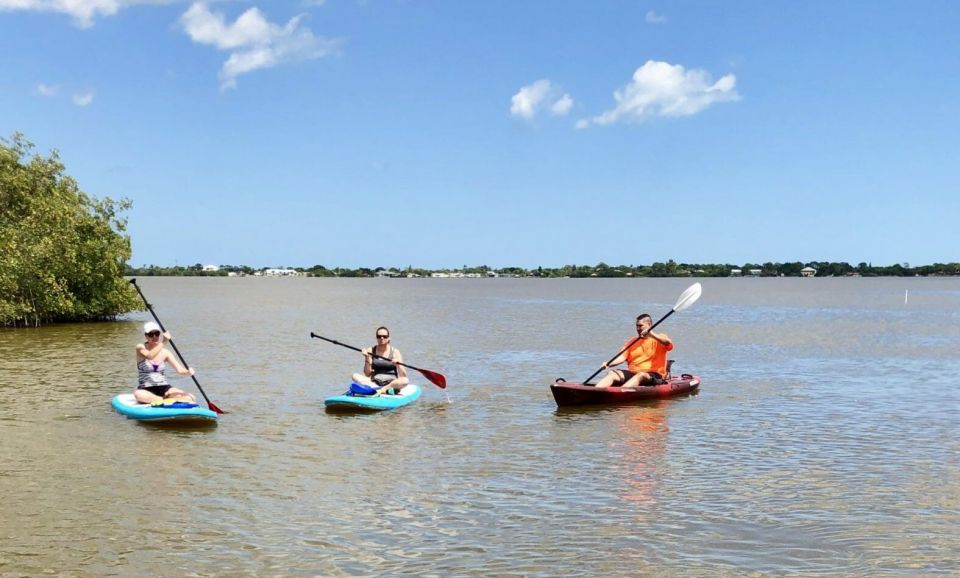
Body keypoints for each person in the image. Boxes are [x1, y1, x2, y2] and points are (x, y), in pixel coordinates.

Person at [593, 313, 673, 388]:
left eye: (640, 326)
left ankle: (620, 394)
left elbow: (667, 342)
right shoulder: (632, 341)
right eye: (636, 326)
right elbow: (622, 357)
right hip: (633, 373)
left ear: (649, 325)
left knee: (641, 375)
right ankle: (595, 392)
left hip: (654, 375)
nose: (638, 329)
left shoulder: (660, 338)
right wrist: (608, 364)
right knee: (612, 373)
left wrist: (651, 333)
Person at [134, 321, 197, 404]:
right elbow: (150, 356)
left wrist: (188, 372)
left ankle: (165, 398)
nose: (154, 336)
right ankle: (163, 399)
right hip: (146, 388)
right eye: (151, 334)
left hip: (163, 387)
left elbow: (180, 370)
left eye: (157, 333)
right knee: (138, 394)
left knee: (189, 397)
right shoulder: (140, 347)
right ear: (146, 336)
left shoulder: (165, 352)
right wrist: (164, 342)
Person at [351, 326, 409, 395]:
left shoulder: (395, 352)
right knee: (354, 376)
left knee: (405, 380)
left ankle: (380, 390)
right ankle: (384, 391)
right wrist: (366, 357)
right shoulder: (371, 350)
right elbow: (367, 374)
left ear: (388, 338)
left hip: (391, 383)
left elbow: (403, 375)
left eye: (385, 336)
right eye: (379, 336)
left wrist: (398, 365)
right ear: (376, 338)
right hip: (375, 383)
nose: (382, 338)